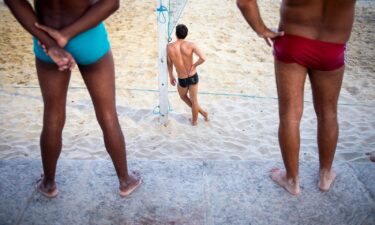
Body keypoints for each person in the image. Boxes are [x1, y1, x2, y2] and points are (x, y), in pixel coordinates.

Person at [4, 0, 141, 198]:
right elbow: (112, 3)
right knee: (107, 114)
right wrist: (65, 35)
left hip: (46, 37)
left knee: (52, 114)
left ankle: (49, 184)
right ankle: (125, 180)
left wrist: (51, 42)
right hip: (86, 34)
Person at [237, 0, 356, 195]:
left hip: (293, 41)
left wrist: (262, 29)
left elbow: (245, 2)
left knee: (290, 115)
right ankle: (325, 176)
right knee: (328, 113)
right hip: (333, 46)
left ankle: (292, 180)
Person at [167, 24, 208, 126]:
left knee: (183, 96)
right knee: (194, 100)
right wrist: (194, 65)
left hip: (182, 78)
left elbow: (169, 63)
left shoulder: (169, 47)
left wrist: (171, 76)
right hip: (193, 76)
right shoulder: (191, 45)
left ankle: (202, 113)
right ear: (186, 34)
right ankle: (195, 120)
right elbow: (203, 58)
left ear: (176, 34)